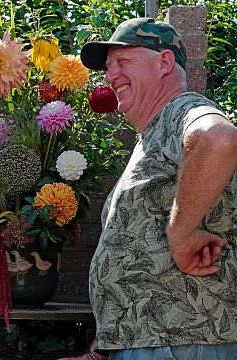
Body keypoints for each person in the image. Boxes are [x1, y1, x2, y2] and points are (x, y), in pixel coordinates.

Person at [60, 18, 237, 360]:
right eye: (109, 68)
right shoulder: (155, 134)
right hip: (154, 342)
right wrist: (104, 347)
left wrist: (181, 235)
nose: (111, 76)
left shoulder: (181, 110)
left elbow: (218, 138)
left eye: (123, 62)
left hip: (183, 342)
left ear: (165, 63)